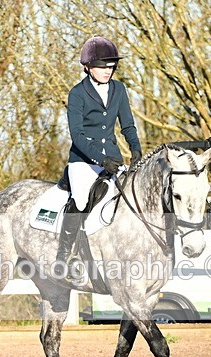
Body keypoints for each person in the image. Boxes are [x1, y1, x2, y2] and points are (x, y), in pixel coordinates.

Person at [56, 36, 142, 280]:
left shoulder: (119, 89)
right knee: (81, 199)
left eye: (111, 66)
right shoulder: (77, 94)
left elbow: (128, 125)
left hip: (113, 159)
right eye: (102, 66)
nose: (108, 71)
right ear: (87, 67)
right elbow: (77, 135)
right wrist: (100, 160)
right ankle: (65, 257)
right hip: (83, 160)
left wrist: (136, 149)